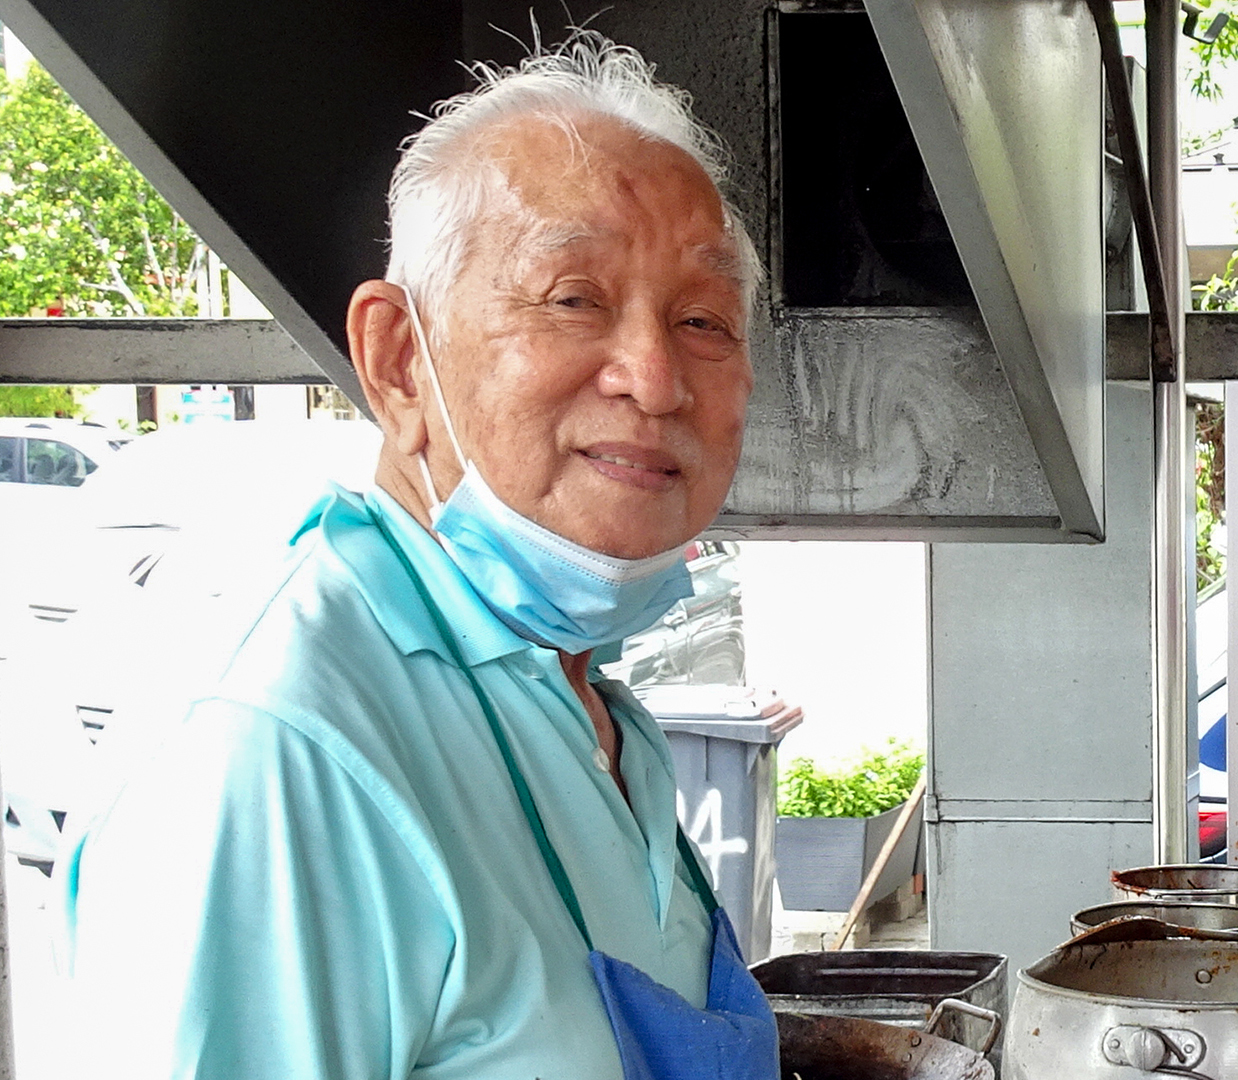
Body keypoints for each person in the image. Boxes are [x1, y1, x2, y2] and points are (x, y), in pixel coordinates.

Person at [63, 33, 778, 1079]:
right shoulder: (283, 753)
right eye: (572, 298)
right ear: (399, 361)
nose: (655, 378)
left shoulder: (586, 705)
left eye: (704, 319)